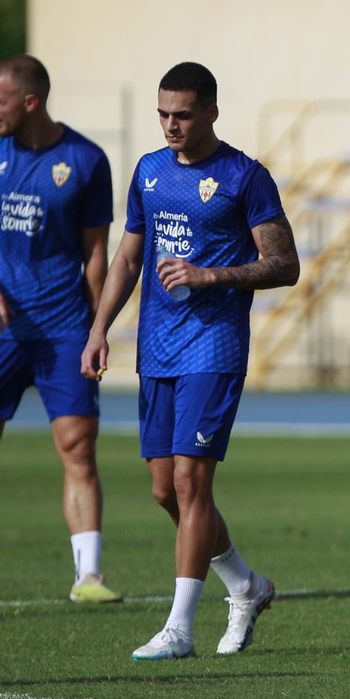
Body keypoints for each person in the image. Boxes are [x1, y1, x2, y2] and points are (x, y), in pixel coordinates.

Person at [82, 62, 300, 660]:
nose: (170, 125)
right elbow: (127, 259)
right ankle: (245, 585)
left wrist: (211, 275)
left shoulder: (244, 177)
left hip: (215, 344)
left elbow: (286, 265)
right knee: (163, 490)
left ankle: (179, 628)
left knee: (190, 479)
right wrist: (99, 328)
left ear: (210, 111)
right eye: (162, 114)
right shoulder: (149, 172)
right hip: (157, 344)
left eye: (181, 114)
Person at [0, 55, 120, 603]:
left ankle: (88, 577)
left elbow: (97, 252)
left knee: (78, 447)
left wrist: (98, 326)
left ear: (30, 102)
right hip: (3, 327)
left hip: (64, 325)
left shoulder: (86, 160)